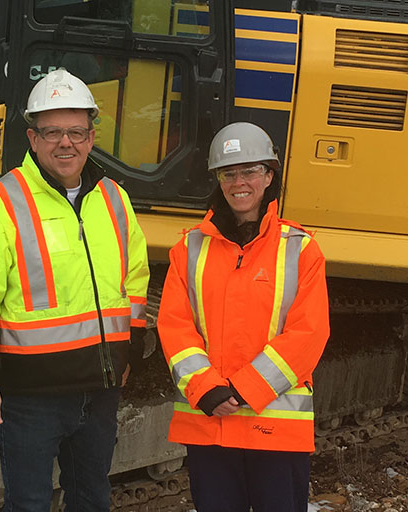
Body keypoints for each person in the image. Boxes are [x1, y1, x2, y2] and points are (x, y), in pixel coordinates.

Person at [0, 68, 150, 511]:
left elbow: (133, 281)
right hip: (31, 398)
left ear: (92, 136)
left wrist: (128, 351)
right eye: (53, 131)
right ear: (33, 137)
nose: (67, 143)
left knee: (92, 497)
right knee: (28, 504)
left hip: (99, 390)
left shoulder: (114, 198)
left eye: (76, 132)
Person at [156, 122, 330, 511]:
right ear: (218, 180)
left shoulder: (301, 250)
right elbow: (175, 326)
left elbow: (309, 333)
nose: (239, 182)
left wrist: (244, 389)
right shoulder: (189, 249)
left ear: (269, 176)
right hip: (210, 424)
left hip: (274, 428)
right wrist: (206, 389)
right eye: (229, 173)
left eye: (250, 171)